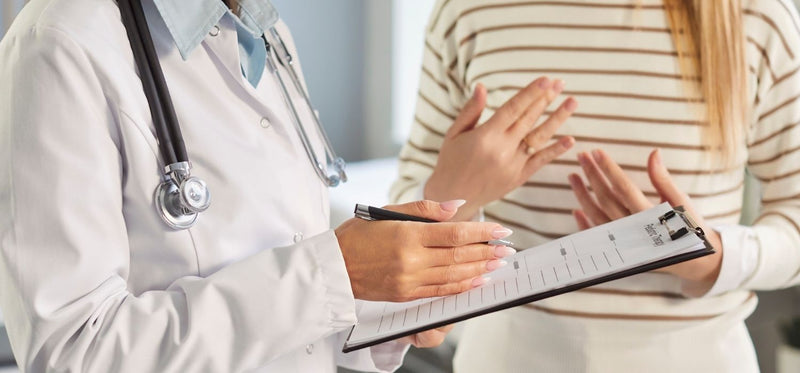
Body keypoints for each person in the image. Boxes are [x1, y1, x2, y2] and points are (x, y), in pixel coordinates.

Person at [0, 0, 573, 371]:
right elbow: (71, 353)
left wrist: (396, 297)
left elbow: (301, 297)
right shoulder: (61, 42)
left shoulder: (267, 36)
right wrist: (336, 273)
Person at [391, 0, 800, 371]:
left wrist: (712, 259)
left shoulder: (759, 17)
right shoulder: (467, 11)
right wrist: (453, 193)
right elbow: (398, 216)